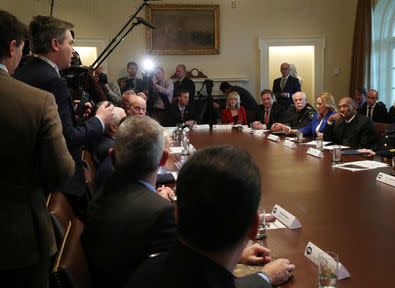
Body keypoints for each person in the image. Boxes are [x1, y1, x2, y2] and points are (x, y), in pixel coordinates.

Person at [127, 145, 296, 288]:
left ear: (176, 214)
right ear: (253, 227)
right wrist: (266, 276)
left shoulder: (143, 270)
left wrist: (237, 257)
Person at [0, 10, 75, 287]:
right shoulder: (37, 101)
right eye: (22, 48)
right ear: (12, 47)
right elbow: (61, 170)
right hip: (18, 239)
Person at [13, 15, 114, 210]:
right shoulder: (51, 81)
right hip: (57, 179)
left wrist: (73, 116)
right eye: (70, 43)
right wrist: (100, 120)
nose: (73, 50)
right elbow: (68, 138)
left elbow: (45, 125)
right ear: (55, 44)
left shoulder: (25, 71)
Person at [84, 116, 177, 288]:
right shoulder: (160, 212)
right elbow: (182, 271)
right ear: (163, 158)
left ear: (112, 157)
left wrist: (152, 199)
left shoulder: (105, 192)